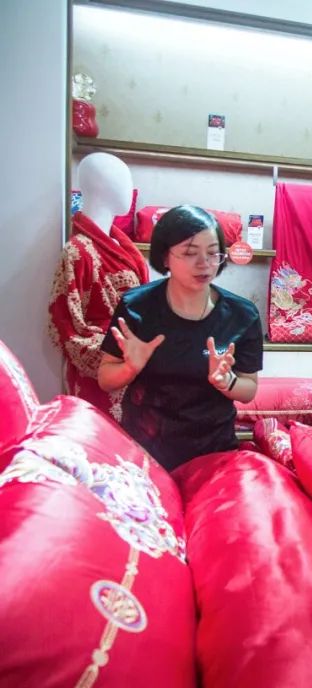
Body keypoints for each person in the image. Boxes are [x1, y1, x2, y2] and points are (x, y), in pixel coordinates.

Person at [99, 205, 263, 470]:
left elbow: (249, 389)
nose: (204, 263)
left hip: (214, 452)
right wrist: (130, 368)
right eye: (190, 252)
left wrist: (227, 382)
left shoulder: (242, 314)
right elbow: (105, 379)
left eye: (213, 253)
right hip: (144, 451)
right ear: (165, 256)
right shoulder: (136, 307)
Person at [48, 152, 148, 420]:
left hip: (136, 364)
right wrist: (115, 354)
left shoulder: (123, 247)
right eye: (123, 178)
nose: (129, 187)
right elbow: (65, 323)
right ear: (101, 184)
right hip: (100, 372)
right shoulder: (78, 251)